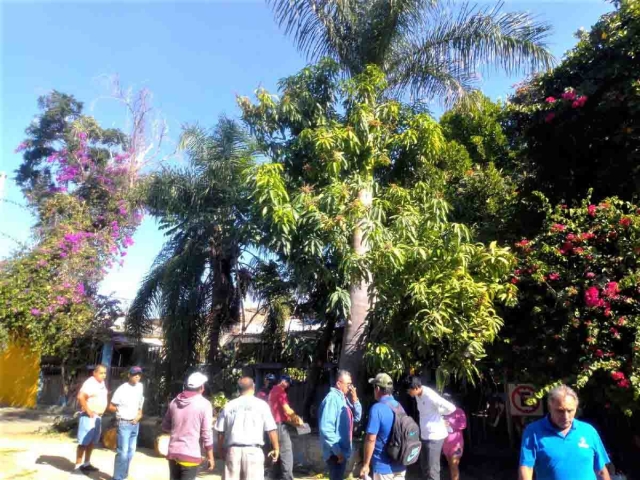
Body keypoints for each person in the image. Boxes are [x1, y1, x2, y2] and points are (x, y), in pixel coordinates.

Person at [519, 384, 611, 480]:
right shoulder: (533, 432)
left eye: (570, 411)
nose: (566, 416)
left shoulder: (588, 431)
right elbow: (526, 469)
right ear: (550, 408)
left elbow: (601, 470)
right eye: (560, 411)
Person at [215, 376, 280, 480]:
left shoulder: (229, 405)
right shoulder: (262, 405)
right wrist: (276, 448)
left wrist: (220, 449)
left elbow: (220, 432)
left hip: (233, 452)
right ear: (253, 387)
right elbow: (271, 429)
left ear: (239, 389)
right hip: (253, 452)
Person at [162, 372, 215, 480]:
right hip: (190, 456)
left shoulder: (174, 402)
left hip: (173, 454)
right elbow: (206, 434)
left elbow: (165, 427)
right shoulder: (204, 404)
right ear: (201, 387)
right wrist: (211, 457)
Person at [404, 376, 456, 480]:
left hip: (435, 437)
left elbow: (451, 408)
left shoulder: (430, 395)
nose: (408, 393)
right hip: (425, 436)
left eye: (409, 391)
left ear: (415, 388)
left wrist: (439, 412)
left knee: (432, 470)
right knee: (425, 467)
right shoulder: (418, 395)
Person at [360, 373, 406, 480]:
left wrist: (366, 464)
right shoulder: (399, 406)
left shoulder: (377, 408)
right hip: (400, 464)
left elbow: (371, 439)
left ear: (377, 388)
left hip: (383, 467)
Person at [319, 370, 363, 480]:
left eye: (351, 384)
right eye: (348, 384)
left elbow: (357, 417)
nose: (351, 387)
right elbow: (326, 429)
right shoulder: (332, 399)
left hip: (341, 452)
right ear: (339, 384)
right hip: (335, 454)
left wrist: (355, 400)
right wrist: (338, 453)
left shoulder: (343, 398)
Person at [108, 366, 145, 480]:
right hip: (124, 424)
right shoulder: (122, 389)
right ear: (129, 375)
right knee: (123, 453)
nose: (137, 376)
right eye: (135, 374)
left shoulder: (140, 386)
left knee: (131, 452)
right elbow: (111, 406)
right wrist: (120, 412)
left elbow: (140, 402)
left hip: (135, 424)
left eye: (139, 374)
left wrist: (139, 414)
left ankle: (124, 475)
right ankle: (117, 477)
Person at [73, 364, 109, 476]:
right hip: (89, 416)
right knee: (84, 442)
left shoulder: (101, 383)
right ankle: (78, 466)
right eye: (101, 373)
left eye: (105, 373)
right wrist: (88, 410)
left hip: (98, 417)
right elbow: (81, 396)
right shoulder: (90, 383)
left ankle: (87, 463)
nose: (104, 375)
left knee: (92, 442)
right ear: (95, 373)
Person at [269, 374, 303, 480]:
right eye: (288, 383)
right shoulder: (280, 391)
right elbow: (287, 410)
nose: (288, 386)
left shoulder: (273, 390)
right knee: (286, 453)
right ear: (283, 381)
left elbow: (283, 415)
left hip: (273, 427)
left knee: (276, 454)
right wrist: (297, 419)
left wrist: (294, 422)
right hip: (279, 427)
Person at [442, 395, 467, 480]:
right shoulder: (442, 412)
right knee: (450, 465)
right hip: (445, 444)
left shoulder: (459, 411)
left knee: (454, 465)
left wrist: (450, 424)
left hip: (456, 445)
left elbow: (463, 425)